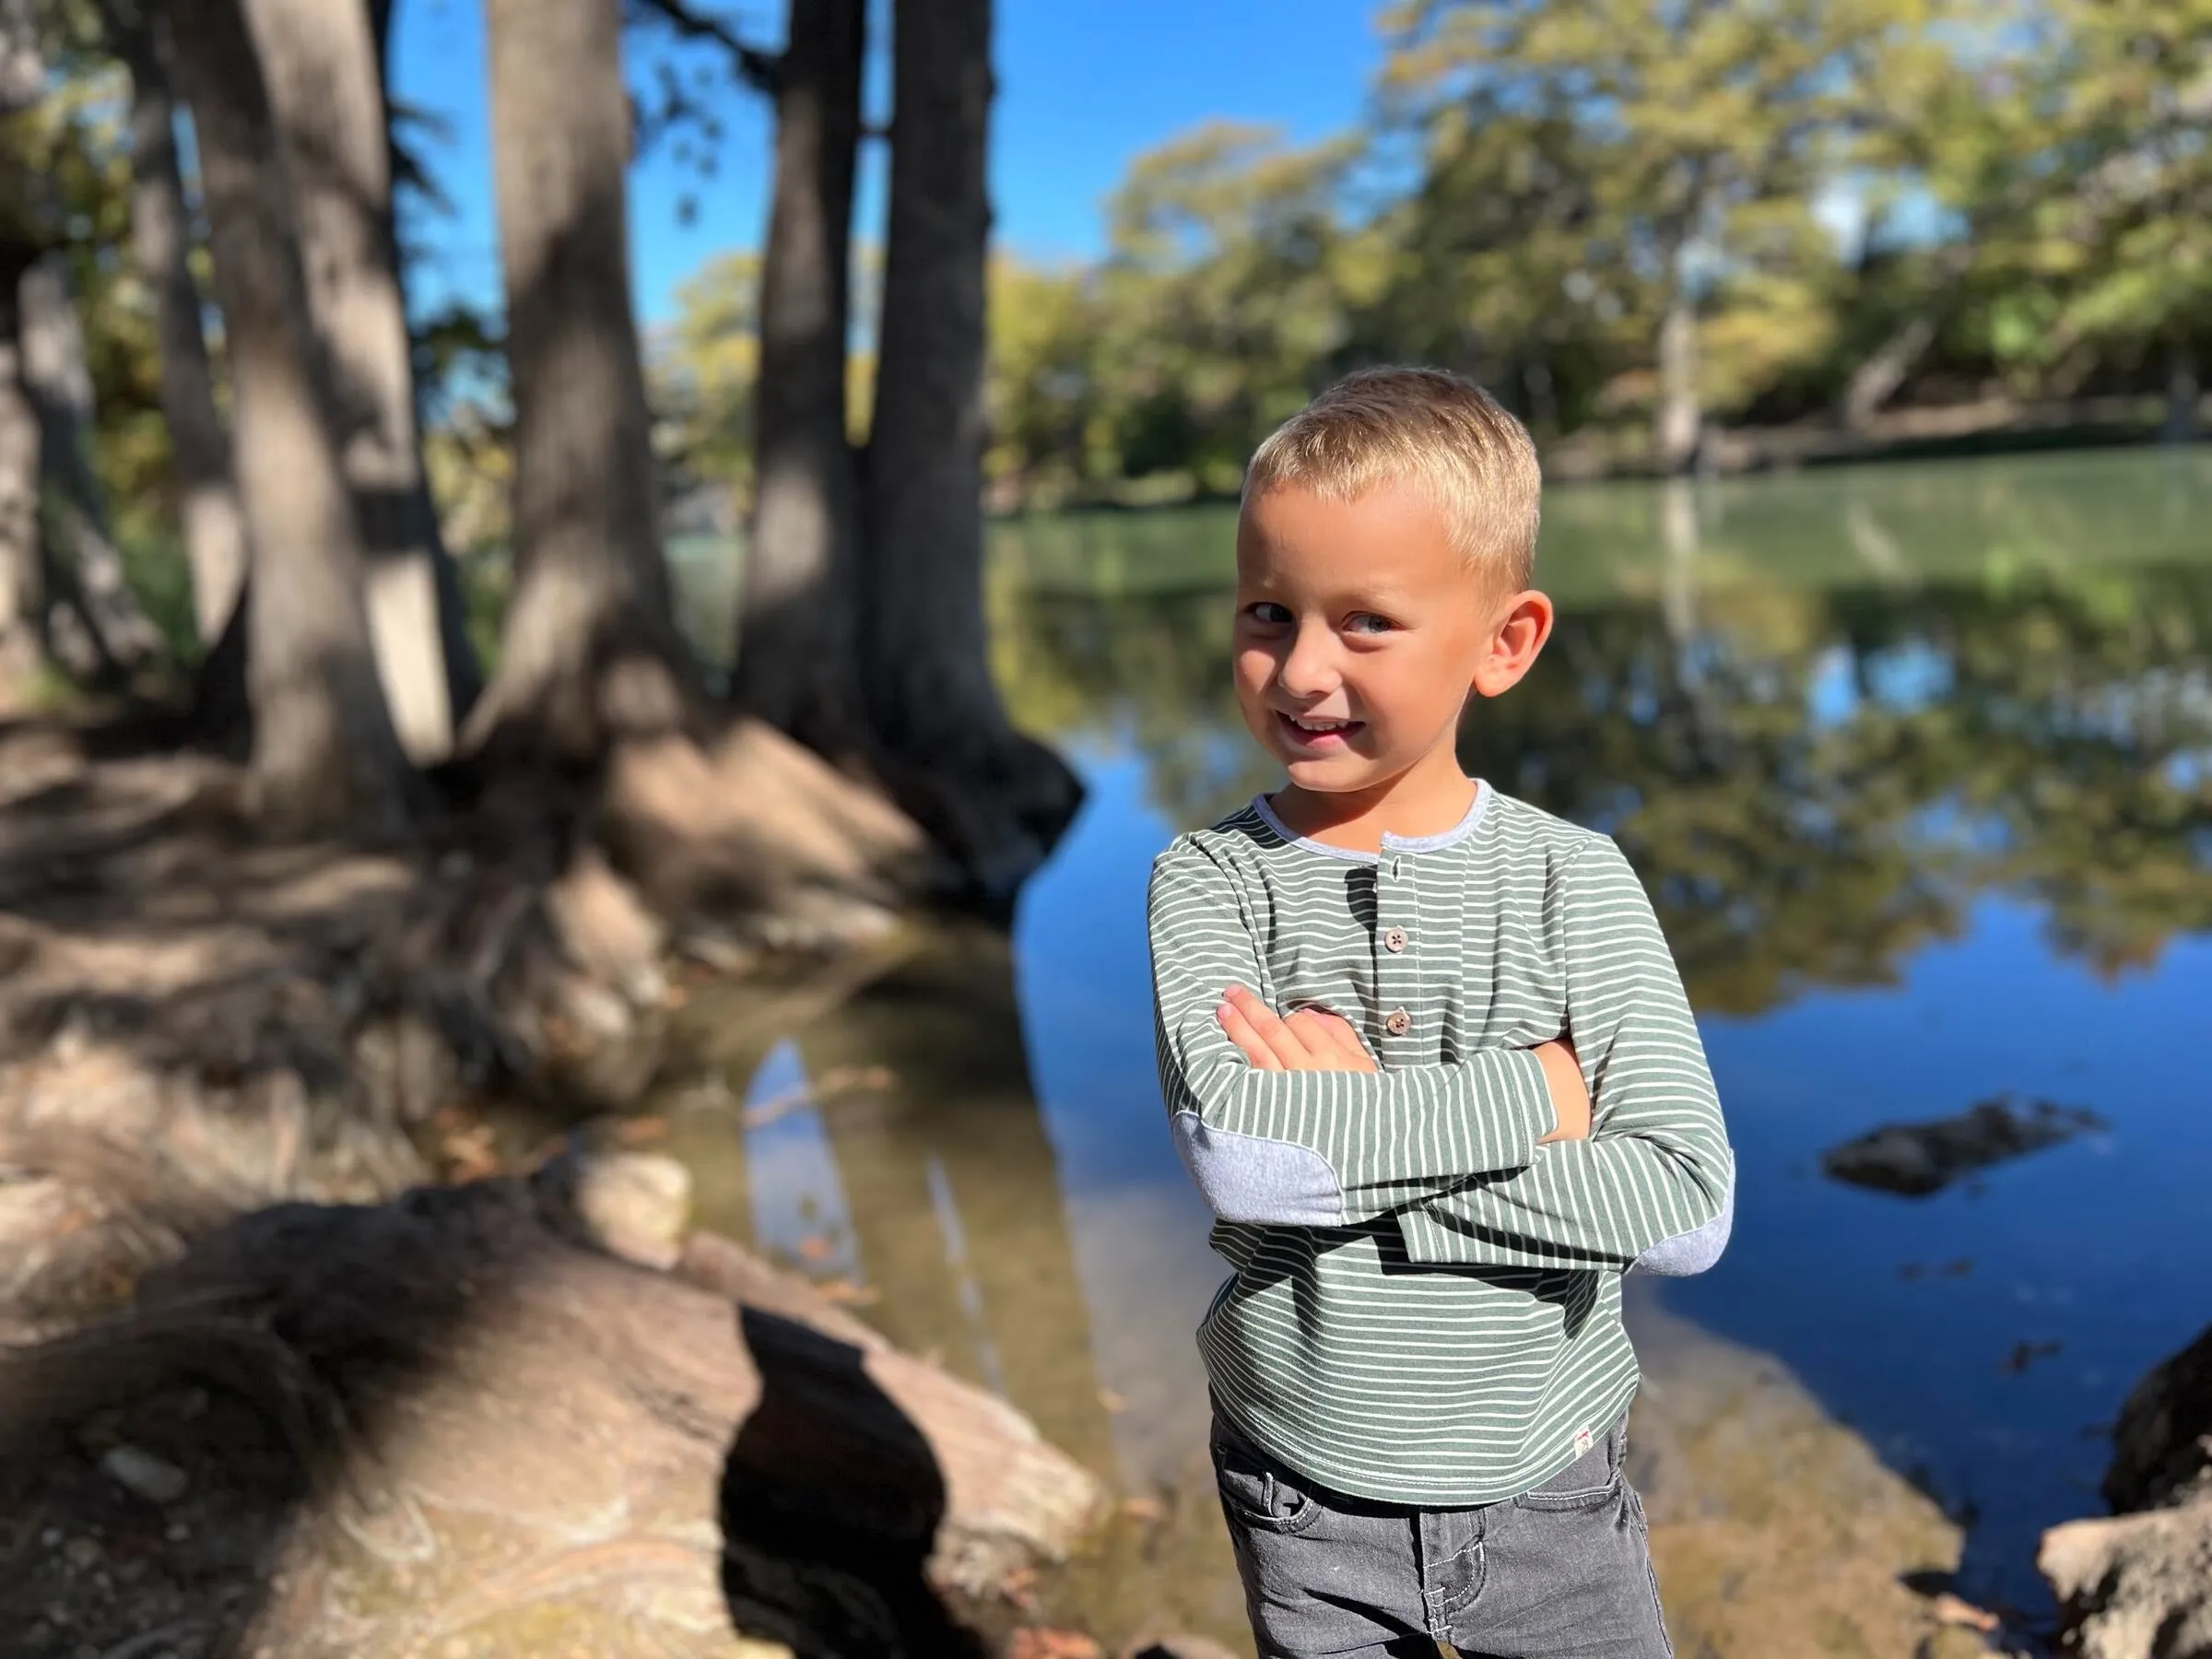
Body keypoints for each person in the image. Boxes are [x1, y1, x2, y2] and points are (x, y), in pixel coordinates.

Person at [1146, 367, 1734, 1659]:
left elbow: (1688, 1207)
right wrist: (1543, 1096)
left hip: (1553, 1479)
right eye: (1267, 610)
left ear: (1505, 642)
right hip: (1302, 1483)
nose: (1301, 670)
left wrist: (1362, 1129)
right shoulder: (1211, 882)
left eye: (1366, 624)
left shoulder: (1574, 879)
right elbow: (1250, 1166)